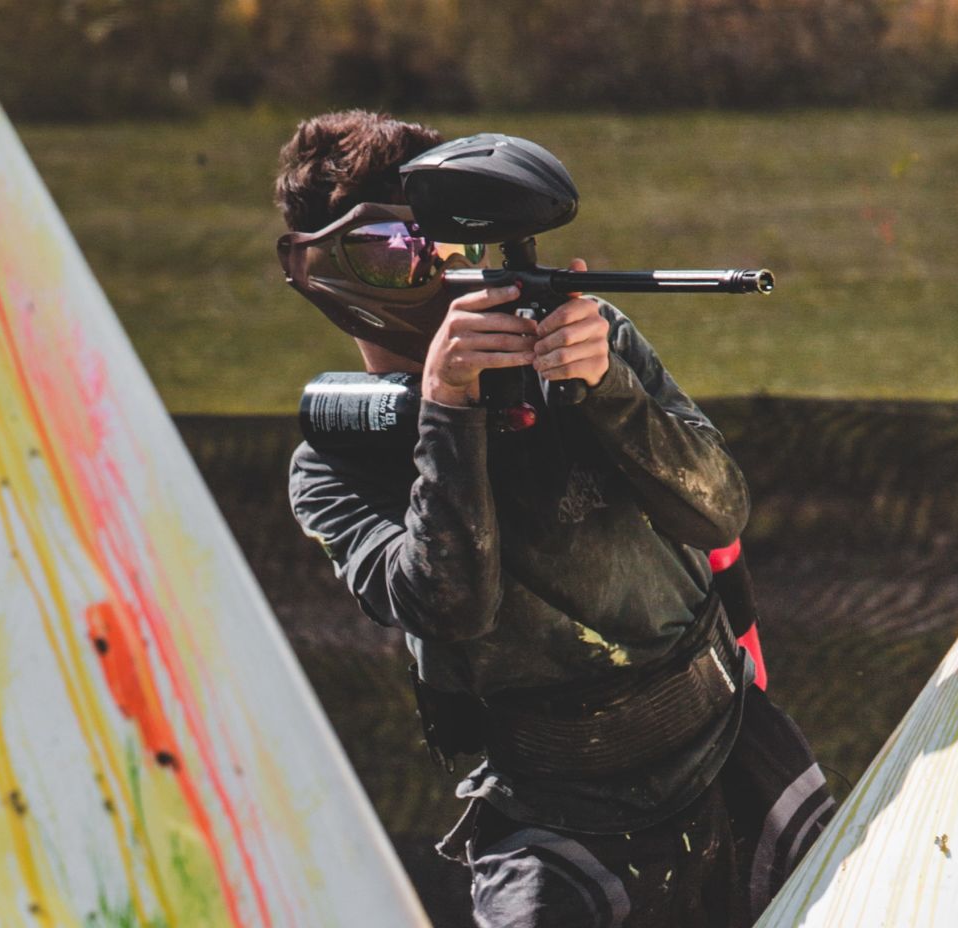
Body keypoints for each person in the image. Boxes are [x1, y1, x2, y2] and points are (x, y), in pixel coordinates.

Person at [278, 109, 833, 926]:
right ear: (325, 268)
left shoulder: (586, 342)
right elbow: (450, 603)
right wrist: (448, 412)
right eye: (396, 252)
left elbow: (717, 511)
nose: (434, 269)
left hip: (734, 762)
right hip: (555, 824)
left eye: (445, 242)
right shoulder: (333, 465)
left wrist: (607, 388)